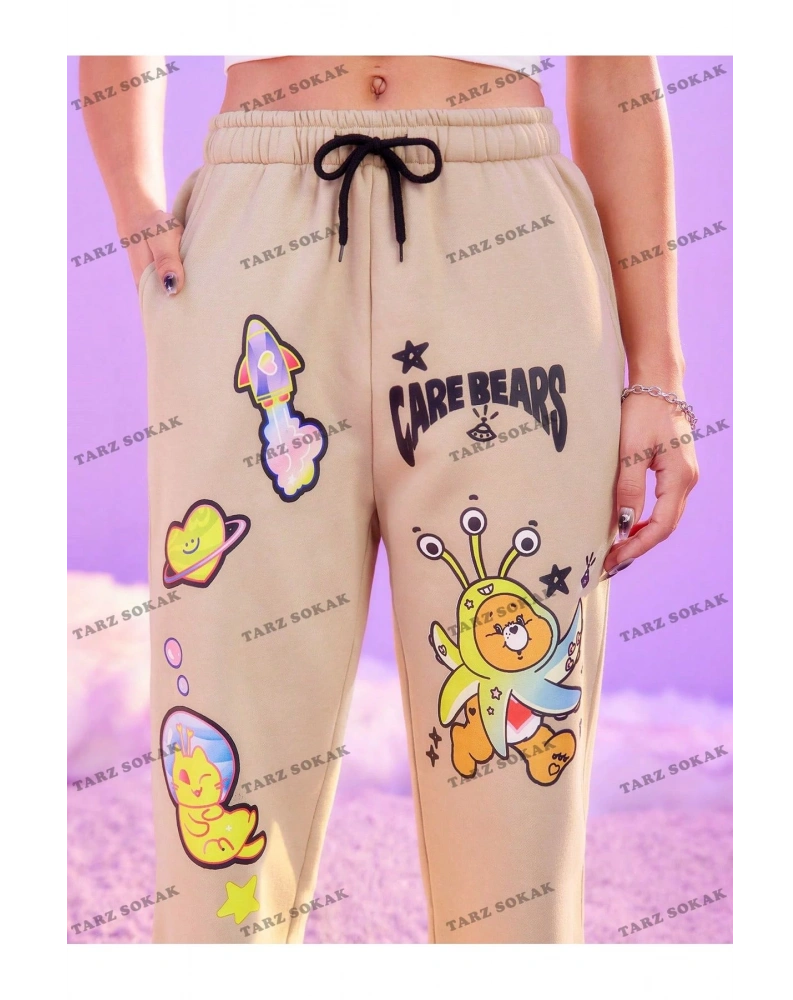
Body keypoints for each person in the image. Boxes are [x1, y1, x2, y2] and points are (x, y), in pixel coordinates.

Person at [80, 54, 699, 944]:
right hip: (260, 229)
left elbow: (613, 68)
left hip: (509, 242)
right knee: (224, 758)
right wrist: (137, 202)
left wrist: (659, 375)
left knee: (518, 804)